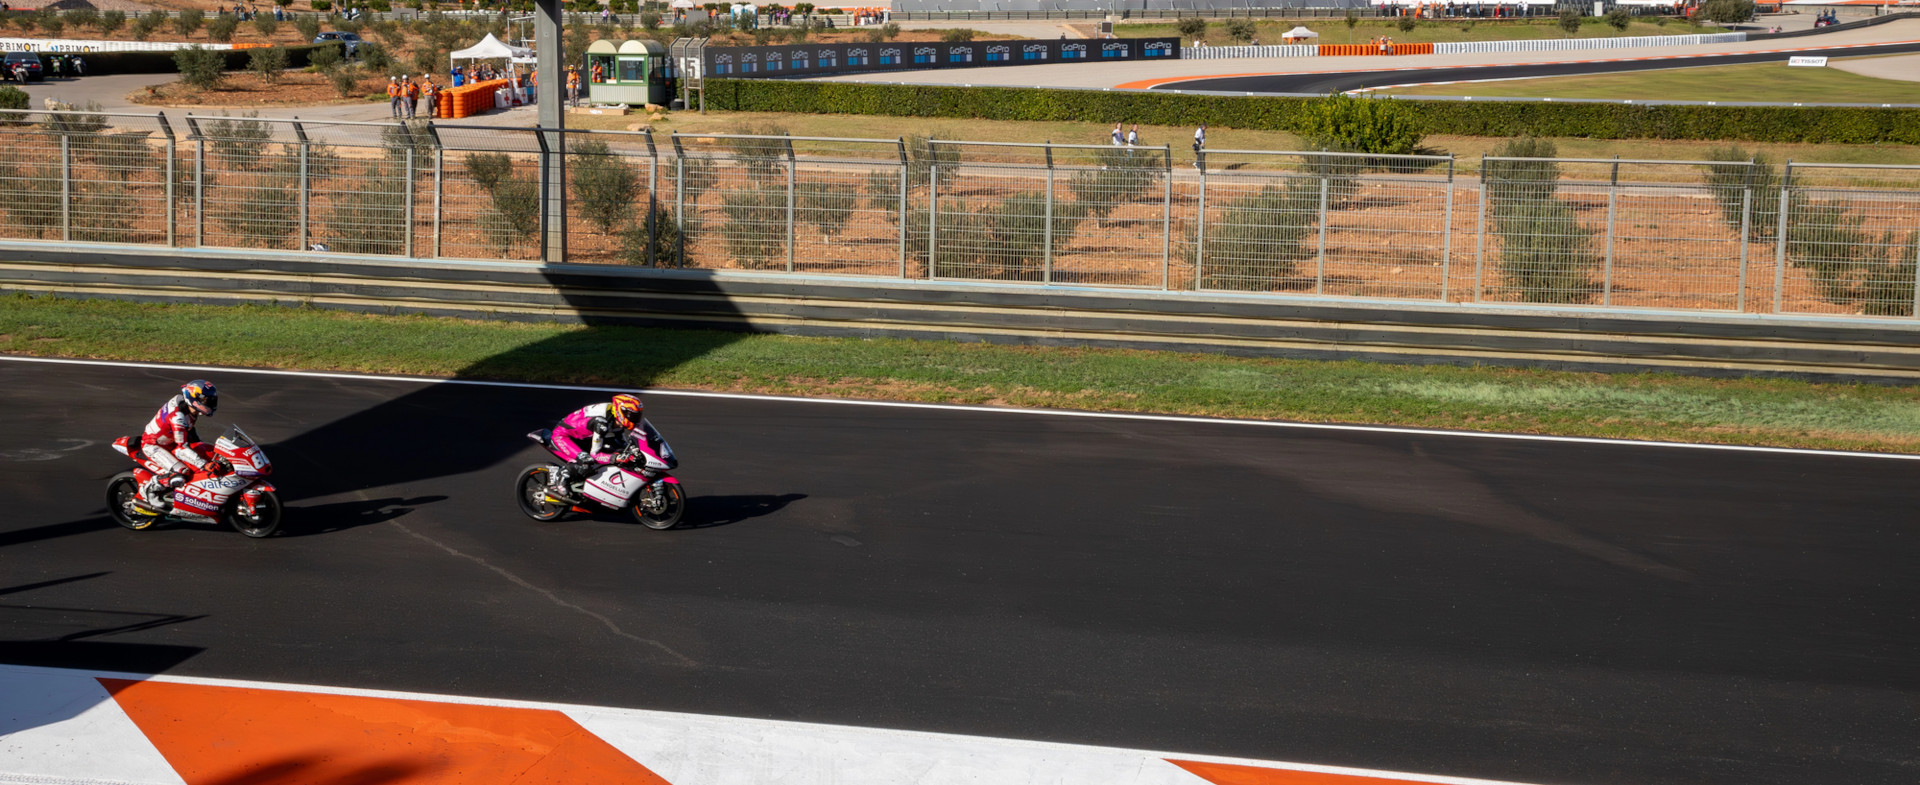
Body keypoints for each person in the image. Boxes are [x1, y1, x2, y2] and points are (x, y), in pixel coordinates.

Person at [543, 394, 673, 498]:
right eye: (631, 415)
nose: (635, 419)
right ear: (620, 410)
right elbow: (596, 454)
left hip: (584, 436)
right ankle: (562, 477)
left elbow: (621, 442)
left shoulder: (615, 418)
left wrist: (634, 450)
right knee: (587, 460)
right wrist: (615, 458)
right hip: (563, 436)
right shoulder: (602, 423)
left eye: (637, 416)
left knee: (618, 450)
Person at [131, 380, 220, 511]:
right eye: (207, 400)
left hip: (171, 441)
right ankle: (150, 491)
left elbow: (188, 431)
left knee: (206, 452)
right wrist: (203, 464)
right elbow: (181, 449)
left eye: (212, 400)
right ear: (195, 399)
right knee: (181, 473)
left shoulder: (189, 408)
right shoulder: (177, 417)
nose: (210, 403)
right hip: (154, 446)